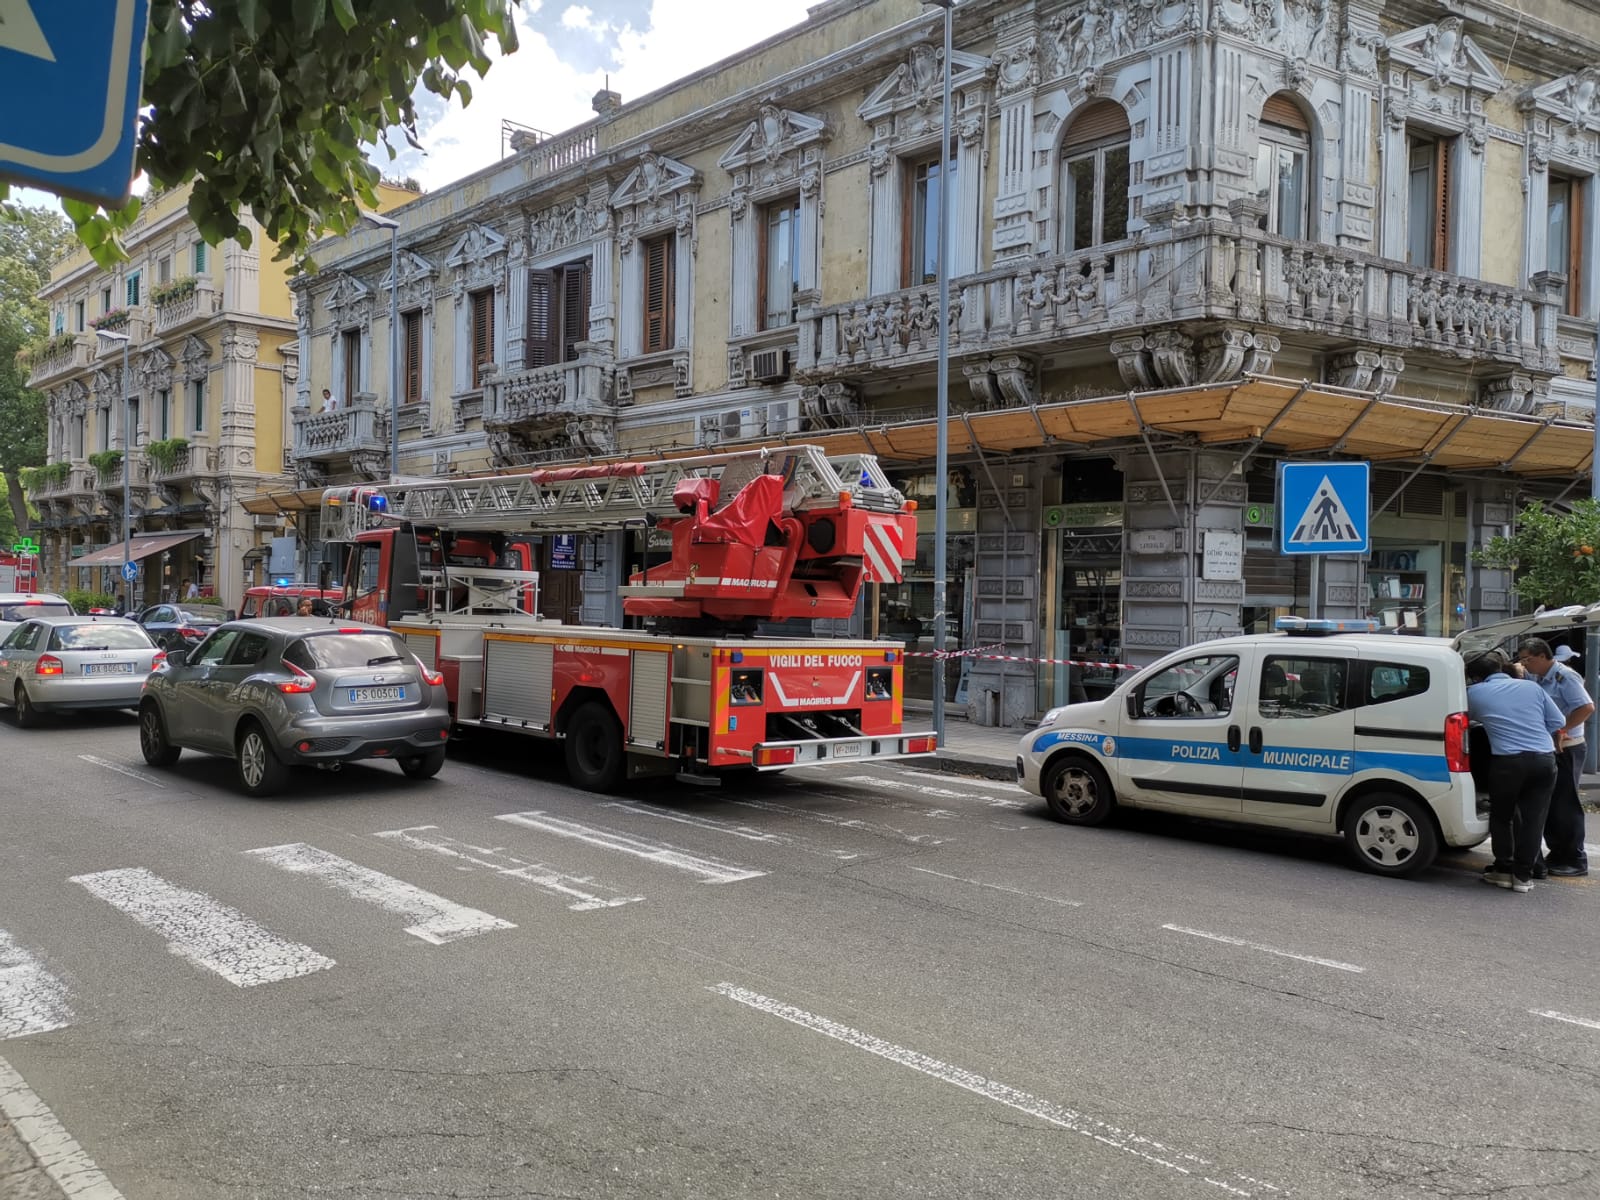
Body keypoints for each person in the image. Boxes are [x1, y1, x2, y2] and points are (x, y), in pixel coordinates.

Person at [1466, 651, 1565, 893]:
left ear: (1476, 677)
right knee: (1534, 820)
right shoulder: (1531, 688)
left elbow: (1462, 722)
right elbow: (1558, 721)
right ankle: (1523, 877)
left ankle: (1503, 869)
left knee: (1502, 816)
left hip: (1508, 762)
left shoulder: (1474, 693)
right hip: (1544, 759)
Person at [1516, 638, 1593, 878]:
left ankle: (1575, 858)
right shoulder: (1537, 677)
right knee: (1549, 804)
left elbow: (1586, 707)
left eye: (1528, 660)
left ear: (1542, 656)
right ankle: (1558, 853)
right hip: (1549, 747)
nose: (1525, 665)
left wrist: (1563, 729)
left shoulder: (1564, 677)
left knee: (1565, 804)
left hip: (1567, 747)